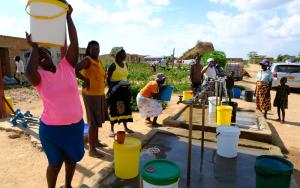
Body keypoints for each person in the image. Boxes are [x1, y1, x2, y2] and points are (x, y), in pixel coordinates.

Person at [25, 5, 84, 188]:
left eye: (44, 55)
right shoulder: (39, 78)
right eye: (38, 58)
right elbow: (28, 70)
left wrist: (68, 17)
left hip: (74, 127)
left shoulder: (67, 66)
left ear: (51, 57)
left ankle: (68, 186)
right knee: (55, 163)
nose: (41, 58)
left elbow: (74, 43)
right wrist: (35, 47)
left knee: (71, 160)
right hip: (52, 131)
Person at [76, 41, 109, 158]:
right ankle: (92, 149)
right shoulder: (87, 60)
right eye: (93, 49)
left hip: (99, 93)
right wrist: (85, 80)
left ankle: (96, 142)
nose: (96, 50)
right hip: (91, 95)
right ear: (89, 50)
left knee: (97, 119)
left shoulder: (98, 61)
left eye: (97, 48)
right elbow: (75, 70)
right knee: (92, 122)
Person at [107, 47, 134, 137]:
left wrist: (127, 83)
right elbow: (108, 79)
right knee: (114, 108)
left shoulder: (125, 65)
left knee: (125, 108)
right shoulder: (113, 65)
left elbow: (125, 77)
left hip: (125, 90)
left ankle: (125, 127)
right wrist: (112, 88)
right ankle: (111, 129)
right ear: (118, 55)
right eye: (123, 53)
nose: (125, 55)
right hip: (116, 91)